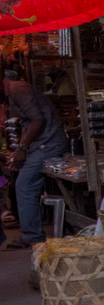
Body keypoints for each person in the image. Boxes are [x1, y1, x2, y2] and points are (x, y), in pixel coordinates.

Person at [1, 75, 68, 248]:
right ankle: (31, 232)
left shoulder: (18, 90)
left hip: (50, 143)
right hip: (41, 144)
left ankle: (33, 237)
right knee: (19, 178)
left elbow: (38, 120)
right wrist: (21, 150)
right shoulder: (11, 94)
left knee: (24, 184)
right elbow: (28, 123)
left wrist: (22, 149)